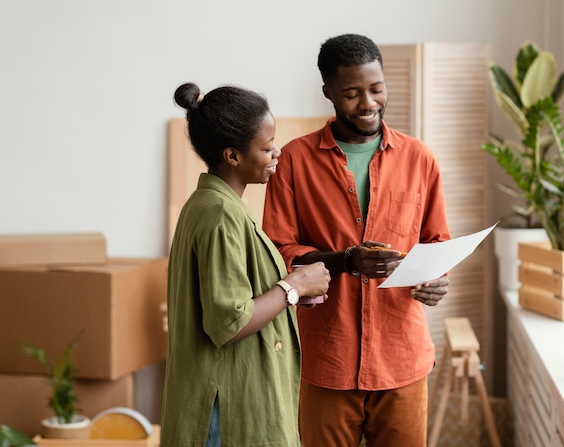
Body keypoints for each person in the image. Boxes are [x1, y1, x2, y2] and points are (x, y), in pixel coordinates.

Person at [262, 34, 451, 447]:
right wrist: (345, 261)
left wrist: (437, 279)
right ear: (328, 92)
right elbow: (278, 251)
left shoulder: (421, 158)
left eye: (376, 88)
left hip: (402, 357)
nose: (368, 103)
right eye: (351, 93)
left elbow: (437, 243)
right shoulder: (294, 160)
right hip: (327, 360)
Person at [160, 83, 330, 447]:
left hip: (226, 402)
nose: (277, 153)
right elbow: (229, 321)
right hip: (227, 411)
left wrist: (291, 293)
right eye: (267, 147)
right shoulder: (220, 214)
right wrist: (293, 288)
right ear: (233, 156)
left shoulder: (215, 205)